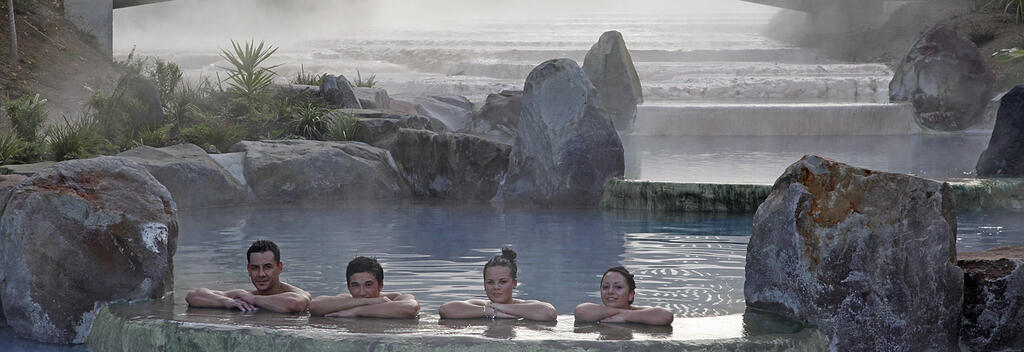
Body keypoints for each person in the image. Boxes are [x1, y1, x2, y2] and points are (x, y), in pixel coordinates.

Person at [185, 240, 311, 313]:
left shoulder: (296, 293)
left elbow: (294, 304)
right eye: (255, 268)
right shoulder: (245, 295)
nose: (261, 274)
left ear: (279, 268)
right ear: (249, 270)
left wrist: (254, 300)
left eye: (267, 267)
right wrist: (226, 302)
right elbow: (193, 296)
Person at [438, 247, 557, 321]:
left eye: (503, 282)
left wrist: (502, 307)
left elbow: (549, 313)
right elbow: (445, 310)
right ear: (484, 285)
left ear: (514, 283)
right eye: (490, 282)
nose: (496, 287)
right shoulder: (482, 305)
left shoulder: (525, 305)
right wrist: (492, 312)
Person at [309, 256, 420, 318]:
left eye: (368, 285)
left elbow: (410, 308)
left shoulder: (395, 298)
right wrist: (368, 302)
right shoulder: (346, 299)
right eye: (355, 285)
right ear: (348, 287)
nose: (362, 292)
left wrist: (355, 312)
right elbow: (314, 306)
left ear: (380, 285)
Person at [573, 266, 673, 325]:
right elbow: (580, 311)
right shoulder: (597, 312)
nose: (610, 291)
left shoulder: (637, 311)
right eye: (605, 287)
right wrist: (621, 312)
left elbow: (666, 316)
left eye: (618, 287)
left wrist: (626, 316)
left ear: (631, 294)